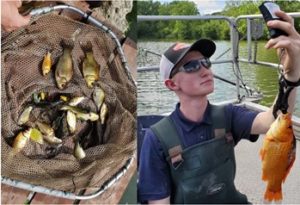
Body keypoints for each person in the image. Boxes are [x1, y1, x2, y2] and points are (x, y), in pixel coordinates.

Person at [138, 10, 300, 204]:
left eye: (206, 62)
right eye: (191, 66)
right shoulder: (156, 138)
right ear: (172, 84)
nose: (205, 70)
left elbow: (275, 121)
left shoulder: (228, 114)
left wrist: (292, 74)